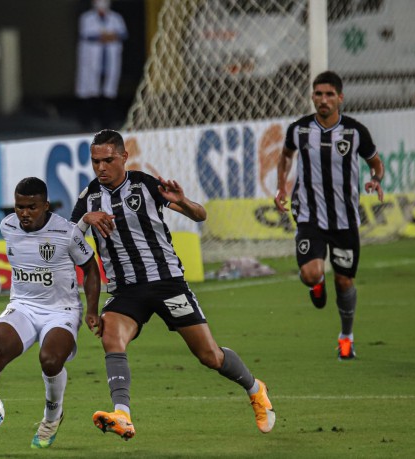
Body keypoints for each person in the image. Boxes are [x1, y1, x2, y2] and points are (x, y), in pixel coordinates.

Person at [71, 129, 276, 440]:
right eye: (95, 161)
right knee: (111, 336)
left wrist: (183, 201)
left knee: (209, 356)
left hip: (168, 284)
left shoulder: (145, 185)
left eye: (108, 160)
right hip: (127, 291)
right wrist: (86, 220)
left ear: (124, 157)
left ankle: (255, 388)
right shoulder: (89, 198)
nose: (101, 168)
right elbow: (69, 242)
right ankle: (122, 415)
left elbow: (199, 215)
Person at [0, 177, 101, 450]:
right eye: (19, 207)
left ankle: (52, 418)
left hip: (61, 310)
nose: (24, 213)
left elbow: (91, 269)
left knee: (50, 360)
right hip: (24, 305)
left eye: (31, 207)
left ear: (46, 206)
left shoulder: (67, 233)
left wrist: (92, 310)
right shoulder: (7, 226)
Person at [274, 71, 385, 360]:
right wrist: (280, 186)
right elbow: (285, 157)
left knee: (345, 281)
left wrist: (376, 178)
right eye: (318, 94)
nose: (323, 100)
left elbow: (375, 163)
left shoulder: (355, 131)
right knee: (310, 273)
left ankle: (346, 336)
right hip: (309, 215)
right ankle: (317, 283)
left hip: (345, 219)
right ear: (312, 96)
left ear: (340, 98)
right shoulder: (298, 130)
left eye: (329, 94)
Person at [75, 0, 128, 130]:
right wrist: (107, 37)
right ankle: (88, 122)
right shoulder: (86, 18)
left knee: (109, 91)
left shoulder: (116, 18)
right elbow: (88, 35)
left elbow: (122, 34)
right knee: (90, 90)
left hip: (109, 59)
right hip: (92, 60)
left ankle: (107, 122)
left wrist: (106, 37)